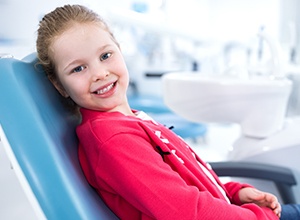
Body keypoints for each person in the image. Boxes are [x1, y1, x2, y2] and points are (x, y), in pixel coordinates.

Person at [36, 4, 300, 220]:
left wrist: (233, 192)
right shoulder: (115, 142)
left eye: (105, 56)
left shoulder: (128, 121)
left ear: (119, 49)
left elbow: (185, 178)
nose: (100, 73)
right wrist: (261, 216)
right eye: (78, 69)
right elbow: (188, 213)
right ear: (59, 85)